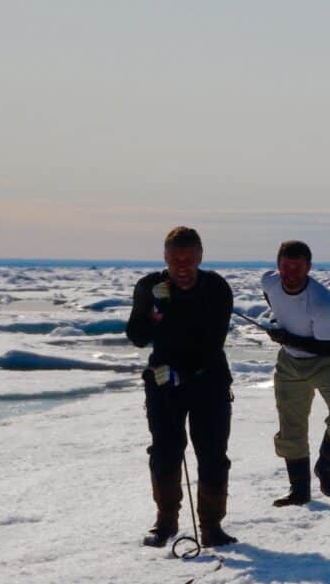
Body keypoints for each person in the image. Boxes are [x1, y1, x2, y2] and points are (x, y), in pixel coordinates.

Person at [126, 226, 236, 548]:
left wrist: (183, 375)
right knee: (164, 452)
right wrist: (155, 311)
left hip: (209, 382)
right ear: (166, 259)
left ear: (201, 257)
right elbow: (137, 336)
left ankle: (212, 526)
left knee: (213, 455)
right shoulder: (149, 287)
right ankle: (165, 522)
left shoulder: (216, 288)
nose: (183, 267)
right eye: (176, 260)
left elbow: (212, 342)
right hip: (163, 385)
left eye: (189, 259)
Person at [262, 240, 330, 506]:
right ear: (277, 266)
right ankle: (299, 491)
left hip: (327, 363)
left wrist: (285, 337)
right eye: (285, 267)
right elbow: (271, 297)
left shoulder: (323, 302)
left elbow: (325, 347)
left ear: (309, 268)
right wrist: (275, 321)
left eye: (297, 268)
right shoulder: (269, 282)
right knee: (290, 428)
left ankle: (325, 465)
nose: (290, 274)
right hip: (290, 363)